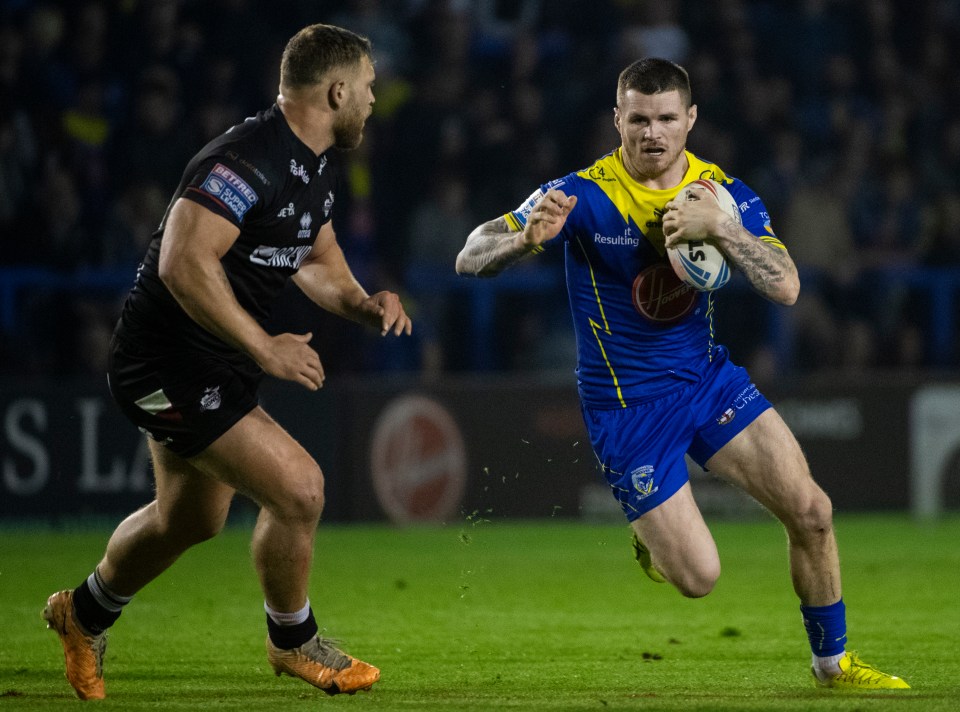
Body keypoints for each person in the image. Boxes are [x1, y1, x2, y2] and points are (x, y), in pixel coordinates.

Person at [456, 57, 908, 690]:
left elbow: (787, 286)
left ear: (690, 119)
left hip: (705, 381)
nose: (652, 133)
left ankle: (832, 666)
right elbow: (468, 255)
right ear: (617, 119)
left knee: (811, 511)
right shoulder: (582, 193)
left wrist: (720, 227)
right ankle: (650, 540)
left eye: (667, 118)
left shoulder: (720, 192)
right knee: (699, 579)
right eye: (638, 119)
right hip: (627, 408)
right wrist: (525, 240)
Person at [43, 24, 412, 700]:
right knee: (300, 488)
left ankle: (81, 614)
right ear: (335, 90)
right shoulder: (245, 160)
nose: (373, 99)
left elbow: (317, 257)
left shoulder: (318, 161)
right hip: (164, 363)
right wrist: (263, 345)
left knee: (190, 519)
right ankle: (293, 640)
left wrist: (362, 304)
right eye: (367, 87)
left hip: (210, 361)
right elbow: (183, 260)